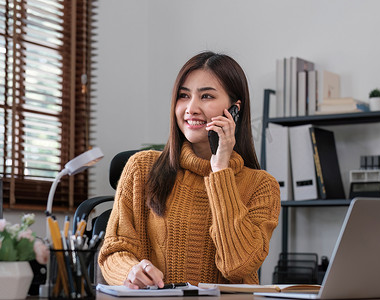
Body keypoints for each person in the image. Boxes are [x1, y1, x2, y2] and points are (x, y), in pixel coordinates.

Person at [98, 51, 281, 289]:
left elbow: (237, 265)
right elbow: (114, 250)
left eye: (206, 96)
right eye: (183, 96)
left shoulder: (262, 186)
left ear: (234, 109)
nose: (191, 108)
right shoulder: (141, 168)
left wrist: (220, 172)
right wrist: (130, 272)